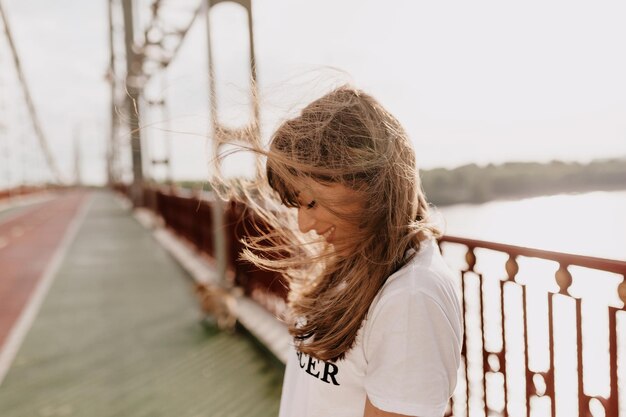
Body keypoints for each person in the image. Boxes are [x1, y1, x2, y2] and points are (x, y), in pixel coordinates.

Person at [239, 86, 463, 417]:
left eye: (311, 202)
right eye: (297, 205)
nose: (303, 225)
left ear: (371, 183)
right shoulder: (352, 263)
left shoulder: (411, 299)